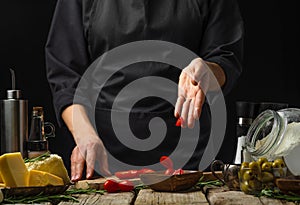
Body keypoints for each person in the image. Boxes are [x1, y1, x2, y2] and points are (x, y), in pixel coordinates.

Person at [45, 0, 244, 181]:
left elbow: (226, 57)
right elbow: (65, 73)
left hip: (188, 153)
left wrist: (208, 71)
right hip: (104, 153)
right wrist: (84, 135)